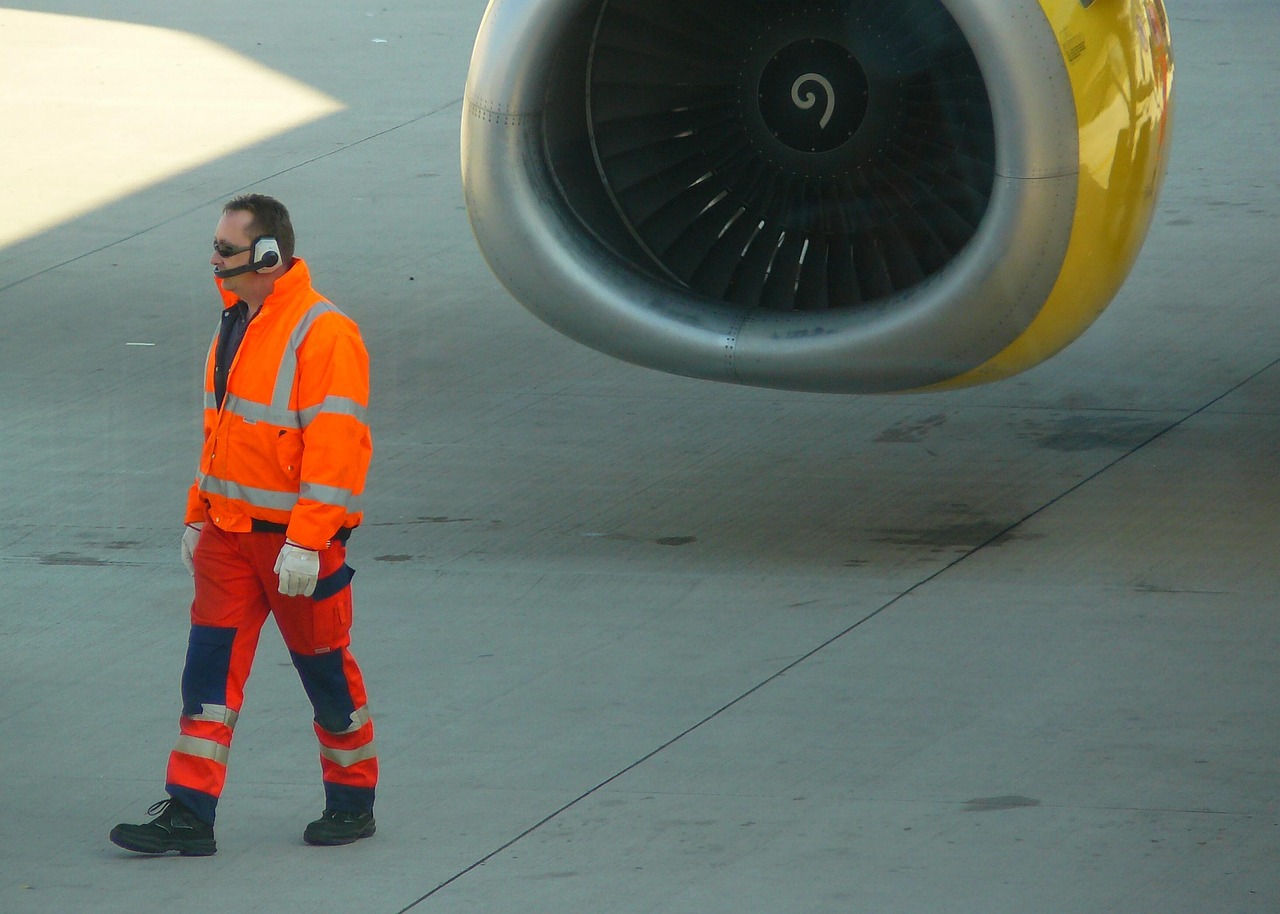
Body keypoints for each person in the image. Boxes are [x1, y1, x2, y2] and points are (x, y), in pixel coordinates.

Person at [110, 194, 378, 855]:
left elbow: (336, 450)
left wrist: (308, 542)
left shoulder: (324, 333)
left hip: (295, 547)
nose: (213, 259)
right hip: (230, 537)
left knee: (325, 675)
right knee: (208, 676)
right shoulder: (235, 321)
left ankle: (352, 801)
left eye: (225, 250)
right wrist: (197, 515)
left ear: (267, 256)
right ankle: (188, 812)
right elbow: (219, 434)